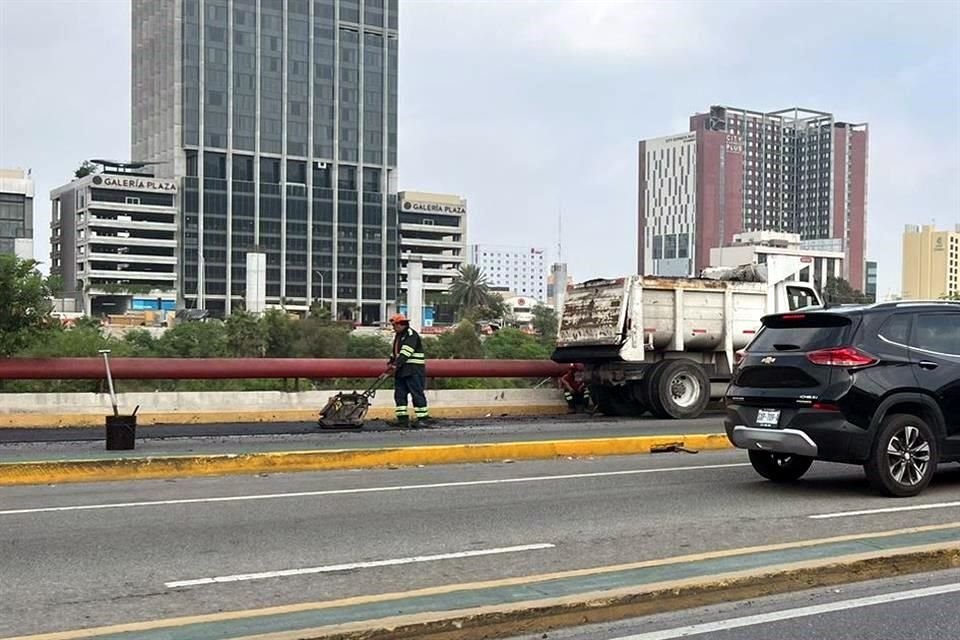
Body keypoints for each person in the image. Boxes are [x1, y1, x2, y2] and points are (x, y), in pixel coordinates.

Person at [387, 314, 430, 426]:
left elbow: (406, 352)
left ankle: (423, 419)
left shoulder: (411, 335)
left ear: (401, 324)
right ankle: (402, 419)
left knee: (416, 393)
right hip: (402, 370)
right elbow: (395, 353)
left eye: (394, 325)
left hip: (413, 370)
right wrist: (391, 362)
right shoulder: (398, 336)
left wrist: (396, 364)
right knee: (400, 395)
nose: (393, 327)